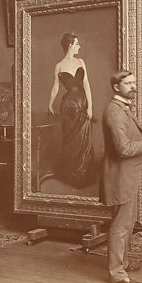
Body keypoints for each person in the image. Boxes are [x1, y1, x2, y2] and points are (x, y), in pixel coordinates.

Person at [100, 70, 142, 283]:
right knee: (120, 225)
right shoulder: (115, 111)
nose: (133, 87)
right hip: (120, 176)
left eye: (133, 82)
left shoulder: (123, 108)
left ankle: (123, 263)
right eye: (128, 83)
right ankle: (117, 273)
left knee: (126, 223)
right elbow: (124, 149)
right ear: (116, 87)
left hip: (127, 174)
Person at [48, 33, 95, 187]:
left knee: (84, 139)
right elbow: (55, 88)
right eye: (77, 44)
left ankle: (82, 176)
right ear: (70, 45)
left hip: (82, 103)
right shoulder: (59, 66)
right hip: (68, 107)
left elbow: (86, 84)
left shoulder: (81, 62)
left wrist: (90, 106)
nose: (79, 46)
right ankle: (70, 175)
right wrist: (50, 104)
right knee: (70, 139)